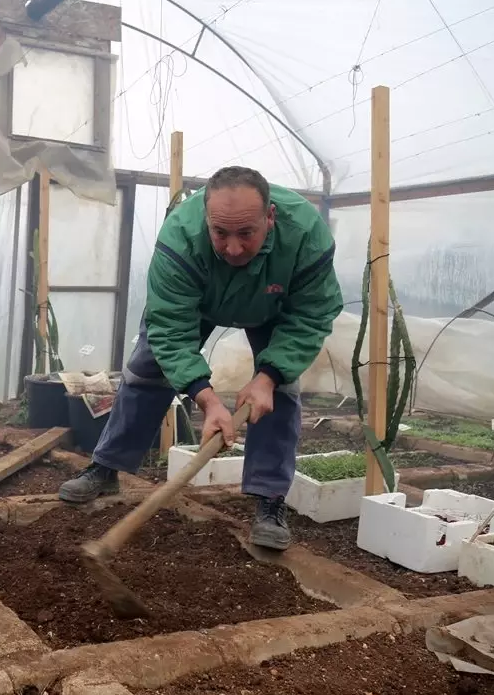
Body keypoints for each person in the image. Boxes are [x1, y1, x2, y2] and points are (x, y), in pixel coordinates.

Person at [58, 166, 343, 551]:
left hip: (274, 306)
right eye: (220, 233)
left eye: (247, 233)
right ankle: (105, 467)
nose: (233, 248)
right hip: (200, 302)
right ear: (205, 219)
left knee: (280, 391)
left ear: (270, 217)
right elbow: (170, 330)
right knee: (145, 370)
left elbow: (311, 314)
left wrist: (267, 377)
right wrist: (206, 399)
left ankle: (269, 500)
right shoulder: (180, 238)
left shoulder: (307, 236)